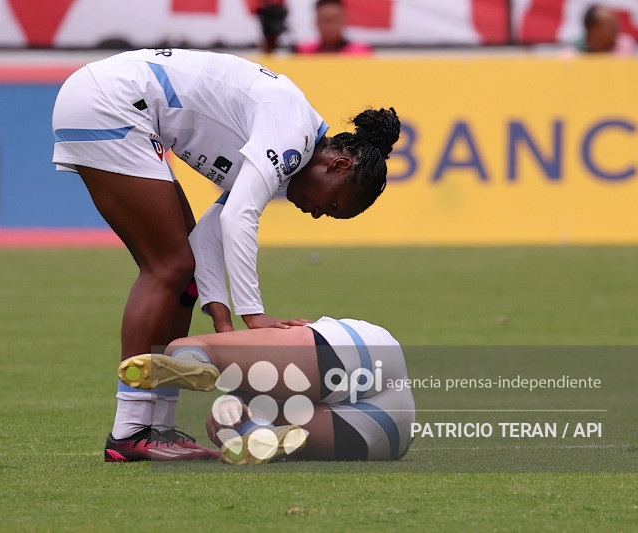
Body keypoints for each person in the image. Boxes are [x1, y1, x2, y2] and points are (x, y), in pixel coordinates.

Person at [51, 48, 400, 461]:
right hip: (110, 101)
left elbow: (208, 240)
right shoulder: (293, 137)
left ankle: (158, 429)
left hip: (113, 101)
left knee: (184, 273)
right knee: (167, 266)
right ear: (339, 165)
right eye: (335, 205)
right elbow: (238, 217)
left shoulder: (285, 157)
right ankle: (129, 431)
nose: (319, 213)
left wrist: (221, 318)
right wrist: (253, 316)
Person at [117, 316, 415, 463]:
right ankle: (258, 432)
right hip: (390, 434)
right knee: (229, 417)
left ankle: (192, 359)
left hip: (351, 358)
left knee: (219, 413)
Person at [294, 0, 373, 55]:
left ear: (344, 21)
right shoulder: (303, 52)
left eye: (334, 20)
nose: (329, 26)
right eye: (324, 20)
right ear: (316, 22)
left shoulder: (360, 53)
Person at [572, 4, 637, 55]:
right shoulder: (573, 52)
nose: (616, 28)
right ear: (593, 30)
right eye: (610, 25)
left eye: (615, 24)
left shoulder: (625, 46)